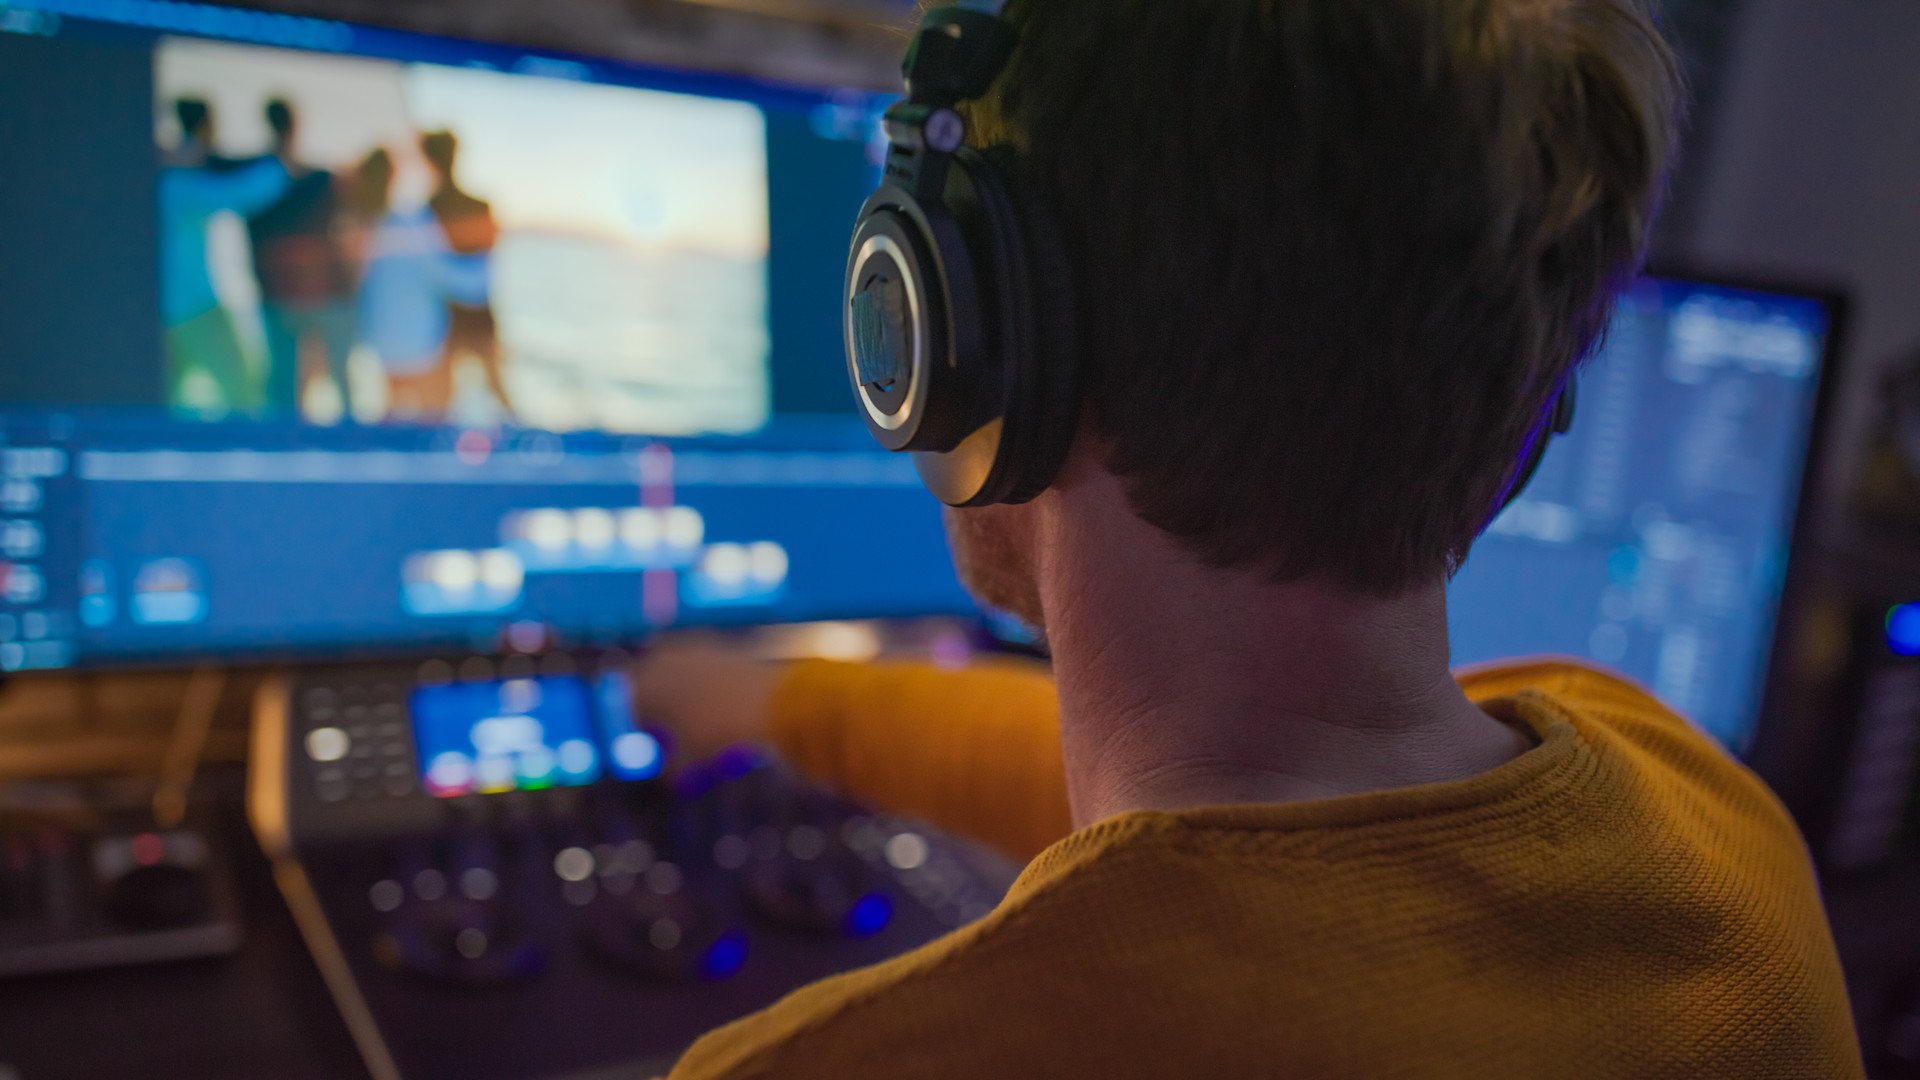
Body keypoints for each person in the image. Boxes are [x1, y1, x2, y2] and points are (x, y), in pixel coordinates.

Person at [628, 0, 1865, 1076]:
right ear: (1532, 417)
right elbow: (1245, 844)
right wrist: (780, 705)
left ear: (964, 337)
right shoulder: (1707, 816)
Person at [159, 98, 288, 416]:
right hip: (193, 306)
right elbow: (240, 193)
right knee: (243, 389)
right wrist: (280, 164)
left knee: (171, 398)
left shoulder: (170, 171)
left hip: (162, 309)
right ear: (204, 125)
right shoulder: (178, 179)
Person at [347, 147, 489, 420]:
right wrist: (485, 268)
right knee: (433, 423)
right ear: (393, 177)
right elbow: (447, 277)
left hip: (382, 342)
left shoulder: (361, 223)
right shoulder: (412, 222)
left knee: (392, 417)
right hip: (420, 344)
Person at [248, 99, 358, 422]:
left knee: (283, 390)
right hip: (327, 296)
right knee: (341, 381)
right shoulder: (322, 179)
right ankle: (351, 447)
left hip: (278, 299)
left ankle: (284, 450)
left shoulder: (253, 175)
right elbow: (349, 230)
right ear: (294, 125)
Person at [421, 130, 515, 417]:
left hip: (447, 319)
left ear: (430, 161)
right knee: (501, 394)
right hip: (481, 314)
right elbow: (489, 263)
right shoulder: (481, 206)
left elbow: (431, 272)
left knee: (440, 403)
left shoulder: (428, 211)